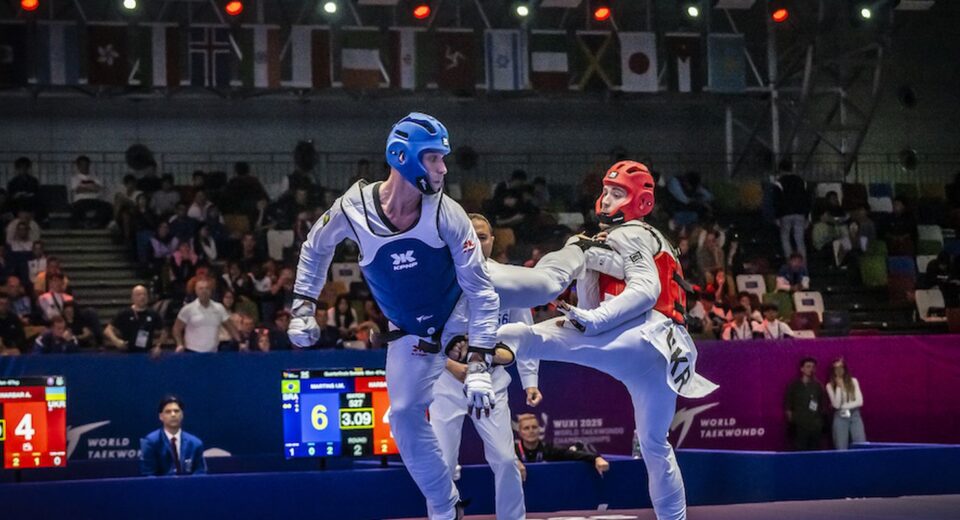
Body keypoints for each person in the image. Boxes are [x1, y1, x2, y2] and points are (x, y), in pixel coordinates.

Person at [288, 113, 502, 519]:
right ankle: (445, 506)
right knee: (402, 416)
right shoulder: (352, 208)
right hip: (408, 333)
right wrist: (302, 308)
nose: (442, 168)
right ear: (402, 157)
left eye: (443, 158)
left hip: (457, 312)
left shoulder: (448, 213)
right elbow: (315, 248)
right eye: (434, 158)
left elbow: (482, 292)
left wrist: (478, 362)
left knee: (536, 287)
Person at [497, 160, 717, 520]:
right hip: (665, 353)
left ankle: (478, 354)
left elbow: (646, 290)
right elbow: (605, 290)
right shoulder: (654, 239)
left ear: (640, 203)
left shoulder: (628, 232)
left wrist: (592, 313)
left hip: (639, 334)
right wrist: (587, 266)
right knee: (655, 446)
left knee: (530, 337)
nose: (607, 200)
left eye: (618, 194)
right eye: (607, 191)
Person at [429, 213, 540, 520]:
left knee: (506, 460)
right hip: (447, 383)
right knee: (443, 466)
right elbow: (425, 335)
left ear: (493, 241)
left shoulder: (508, 280)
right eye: (471, 236)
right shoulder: (441, 279)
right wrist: (453, 367)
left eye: (484, 237)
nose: (477, 242)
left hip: (492, 383)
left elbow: (525, 333)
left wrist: (530, 380)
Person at [514, 413, 609, 480]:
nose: (531, 431)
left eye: (534, 427)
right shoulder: (511, 452)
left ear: (539, 430)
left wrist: (597, 458)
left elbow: (574, 455)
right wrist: (514, 462)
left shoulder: (549, 449)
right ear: (520, 433)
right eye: (526, 428)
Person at [140, 395, 207, 476]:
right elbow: (148, 474)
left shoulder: (195, 443)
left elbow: (201, 472)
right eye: (168, 411)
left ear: (182, 415)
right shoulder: (151, 442)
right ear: (161, 416)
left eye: (176, 411)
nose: (173, 414)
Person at [173, 278, 241, 353]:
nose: (204, 291)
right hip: (192, 352)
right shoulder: (187, 309)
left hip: (213, 353)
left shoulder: (219, 308)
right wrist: (179, 344)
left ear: (211, 291)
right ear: (196, 290)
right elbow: (176, 329)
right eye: (201, 288)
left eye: (207, 288)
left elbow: (231, 327)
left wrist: (240, 343)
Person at [104, 285, 166, 354]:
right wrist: (116, 341)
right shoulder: (125, 313)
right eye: (139, 295)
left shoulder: (153, 314)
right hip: (127, 353)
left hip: (146, 353)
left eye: (144, 294)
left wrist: (158, 346)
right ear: (132, 298)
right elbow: (107, 330)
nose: (142, 297)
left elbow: (164, 332)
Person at [784, 357, 825, 451]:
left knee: (815, 454)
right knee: (800, 453)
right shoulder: (794, 385)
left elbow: (822, 406)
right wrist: (793, 420)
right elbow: (788, 406)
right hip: (799, 426)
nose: (811, 369)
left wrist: (819, 423)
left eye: (813, 367)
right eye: (808, 366)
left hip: (815, 426)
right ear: (802, 369)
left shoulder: (818, 386)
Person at [826, 357, 866, 450]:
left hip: (854, 415)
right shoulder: (829, 385)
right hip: (840, 417)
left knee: (861, 444)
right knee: (841, 446)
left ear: (845, 369)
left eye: (841, 367)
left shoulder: (853, 381)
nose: (839, 370)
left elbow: (859, 402)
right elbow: (836, 405)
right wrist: (839, 387)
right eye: (836, 368)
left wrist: (843, 406)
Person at [69, 155, 112, 228]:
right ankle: (81, 225)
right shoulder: (75, 178)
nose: (85, 167)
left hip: (94, 200)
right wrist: (92, 187)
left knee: (107, 206)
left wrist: (85, 187)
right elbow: (78, 189)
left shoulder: (95, 178)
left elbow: (98, 189)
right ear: (78, 166)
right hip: (81, 201)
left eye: (86, 164)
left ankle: (100, 224)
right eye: (82, 165)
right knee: (75, 209)